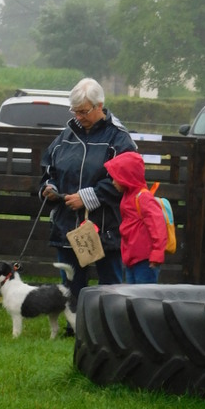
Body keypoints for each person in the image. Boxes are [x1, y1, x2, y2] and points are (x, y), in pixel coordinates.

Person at [40, 77, 136, 304]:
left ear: (99, 106)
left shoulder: (119, 138)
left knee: (110, 288)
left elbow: (124, 179)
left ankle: (108, 322)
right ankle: (75, 323)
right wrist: (49, 187)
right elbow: (48, 168)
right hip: (67, 225)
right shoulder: (65, 135)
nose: (78, 117)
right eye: (75, 111)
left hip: (106, 227)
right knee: (71, 287)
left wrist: (87, 197)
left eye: (83, 111)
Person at [103, 151, 167, 284]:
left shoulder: (143, 197)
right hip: (131, 258)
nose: (113, 182)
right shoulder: (128, 196)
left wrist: (157, 252)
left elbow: (158, 226)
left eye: (116, 178)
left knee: (144, 294)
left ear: (127, 177)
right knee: (131, 294)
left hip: (145, 260)